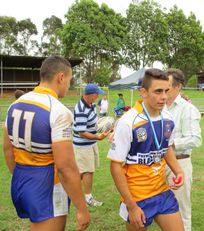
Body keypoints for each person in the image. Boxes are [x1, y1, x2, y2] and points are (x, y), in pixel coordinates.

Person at [3, 56, 90, 230]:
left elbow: (7, 149)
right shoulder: (58, 111)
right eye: (70, 80)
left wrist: (23, 176)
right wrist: (82, 208)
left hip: (21, 177)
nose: (69, 85)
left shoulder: (15, 104)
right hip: (47, 183)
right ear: (61, 77)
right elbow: (66, 167)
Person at [107, 68, 185, 231]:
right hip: (137, 198)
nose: (164, 96)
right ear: (143, 92)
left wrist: (178, 171)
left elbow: (166, 148)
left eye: (166, 91)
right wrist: (131, 205)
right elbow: (115, 166)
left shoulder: (168, 118)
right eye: (158, 91)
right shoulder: (128, 122)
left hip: (162, 192)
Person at [165, 68, 202, 231]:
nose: (163, 91)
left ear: (178, 87)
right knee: (164, 208)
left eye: (167, 87)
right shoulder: (160, 106)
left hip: (179, 164)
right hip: (159, 164)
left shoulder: (187, 109)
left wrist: (170, 144)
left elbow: (195, 139)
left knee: (181, 209)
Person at [73, 84, 110, 207]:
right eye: (97, 94)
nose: (98, 96)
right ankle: (88, 198)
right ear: (91, 94)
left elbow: (94, 123)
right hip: (83, 145)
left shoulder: (92, 105)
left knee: (84, 170)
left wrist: (102, 127)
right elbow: (81, 132)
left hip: (91, 143)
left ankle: (69, 190)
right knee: (88, 171)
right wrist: (98, 137)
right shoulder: (81, 109)